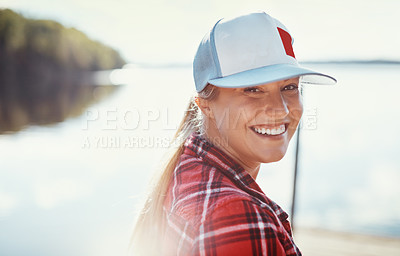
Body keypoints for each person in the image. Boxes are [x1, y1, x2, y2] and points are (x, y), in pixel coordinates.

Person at [131, 11, 336, 256]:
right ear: (205, 104)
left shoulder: (187, 163)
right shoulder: (236, 216)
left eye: (289, 87)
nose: (280, 109)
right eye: (252, 89)